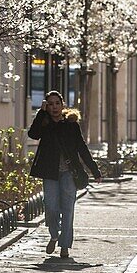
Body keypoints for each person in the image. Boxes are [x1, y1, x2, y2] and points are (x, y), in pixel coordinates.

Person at [28, 90, 102, 260]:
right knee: (51, 208)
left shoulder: (71, 125)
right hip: (50, 173)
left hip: (70, 173)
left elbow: (82, 148)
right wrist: (41, 112)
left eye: (57, 103)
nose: (54, 107)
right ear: (47, 106)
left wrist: (95, 170)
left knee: (68, 210)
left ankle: (64, 245)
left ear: (63, 105)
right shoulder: (44, 123)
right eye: (50, 104)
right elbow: (33, 134)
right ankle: (54, 235)